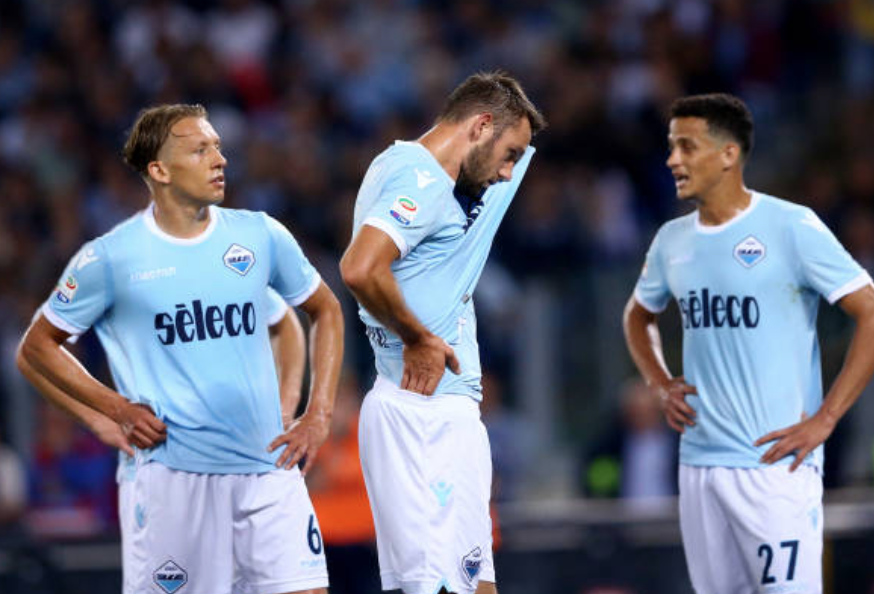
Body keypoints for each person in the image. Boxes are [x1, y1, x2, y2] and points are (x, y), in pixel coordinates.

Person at [16, 104, 344, 594]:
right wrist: (110, 411)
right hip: (172, 476)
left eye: (217, 146)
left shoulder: (258, 236)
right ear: (160, 170)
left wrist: (308, 409)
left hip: (267, 471)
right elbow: (36, 349)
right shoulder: (111, 258)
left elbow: (315, 313)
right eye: (200, 149)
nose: (220, 159)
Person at [623, 93, 874, 593]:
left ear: (728, 154)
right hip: (699, 466)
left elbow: (870, 310)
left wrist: (826, 417)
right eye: (672, 147)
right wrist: (658, 383)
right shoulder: (671, 240)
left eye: (686, 146)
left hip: (774, 466)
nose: (673, 159)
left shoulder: (791, 226)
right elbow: (637, 316)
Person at [340, 71, 545, 594]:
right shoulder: (424, 183)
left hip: (425, 409)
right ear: (480, 126)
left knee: (468, 585)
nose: (508, 172)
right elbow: (360, 268)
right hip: (425, 414)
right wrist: (418, 338)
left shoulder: (403, 164)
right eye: (510, 153)